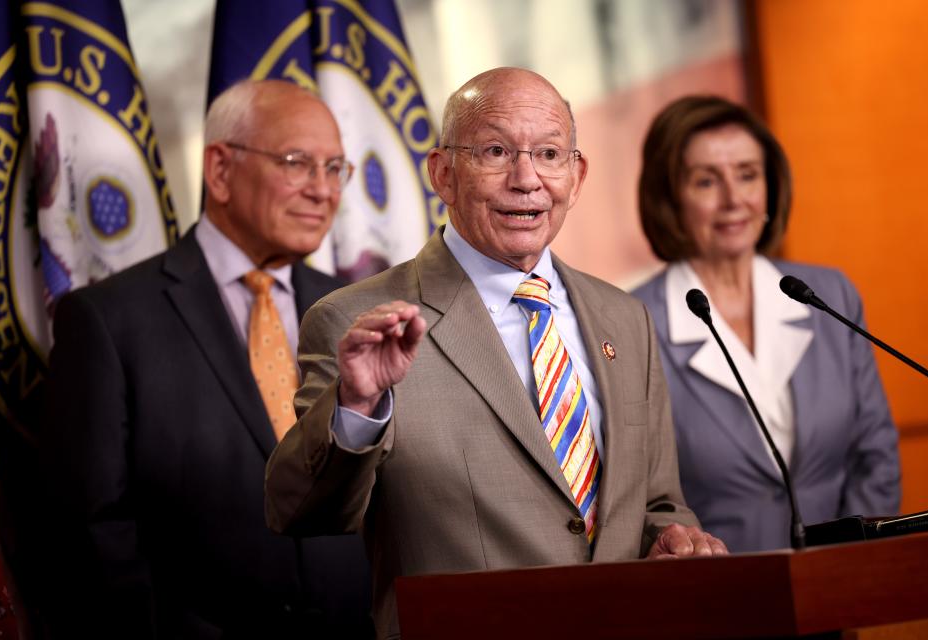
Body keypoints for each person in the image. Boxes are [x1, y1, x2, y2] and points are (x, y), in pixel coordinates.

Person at [265, 67, 727, 640]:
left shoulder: (624, 318)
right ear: (443, 173)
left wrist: (676, 539)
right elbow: (300, 511)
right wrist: (358, 407)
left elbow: (658, 504)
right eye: (495, 151)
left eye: (550, 154)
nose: (527, 179)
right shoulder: (356, 321)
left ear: (576, 176)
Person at [41, 80, 373, 638]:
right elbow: (93, 528)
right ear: (220, 171)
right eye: (297, 163)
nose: (323, 190)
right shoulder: (106, 321)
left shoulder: (357, 310)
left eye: (335, 168)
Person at [631, 95, 901, 552]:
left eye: (747, 175)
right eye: (706, 181)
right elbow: (637, 498)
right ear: (669, 199)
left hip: (841, 586)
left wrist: (847, 563)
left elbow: (875, 453)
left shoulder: (829, 295)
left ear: (770, 187)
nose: (734, 199)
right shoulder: (631, 323)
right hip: (718, 598)